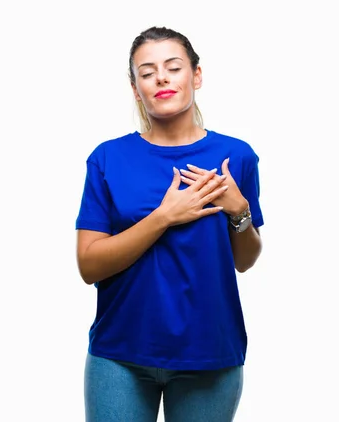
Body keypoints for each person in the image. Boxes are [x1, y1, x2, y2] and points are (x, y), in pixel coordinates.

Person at [75, 26, 264, 422]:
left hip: (210, 353)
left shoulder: (236, 156)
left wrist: (239, 209)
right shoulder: (108, 158)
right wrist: (164, 217)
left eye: (173, 67)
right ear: (135, 88)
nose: (160, 77)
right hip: (120, 354)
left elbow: (245, 260)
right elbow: (89, 265)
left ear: (196, 76)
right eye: (147, 72)